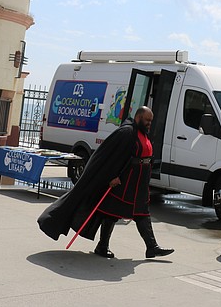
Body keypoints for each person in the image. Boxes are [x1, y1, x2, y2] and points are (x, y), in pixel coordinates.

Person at [37, 106, 174, 259]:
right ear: (138, 117)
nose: (150, 123)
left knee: (140, 213)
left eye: (151, 120)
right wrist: (113, 176)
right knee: (112, 213)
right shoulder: (127, 133)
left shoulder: (142, 133)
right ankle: (104, 246)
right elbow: (112, 157)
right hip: (124, 183)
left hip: (138, 184)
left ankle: (151, 247)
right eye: (147, 120)